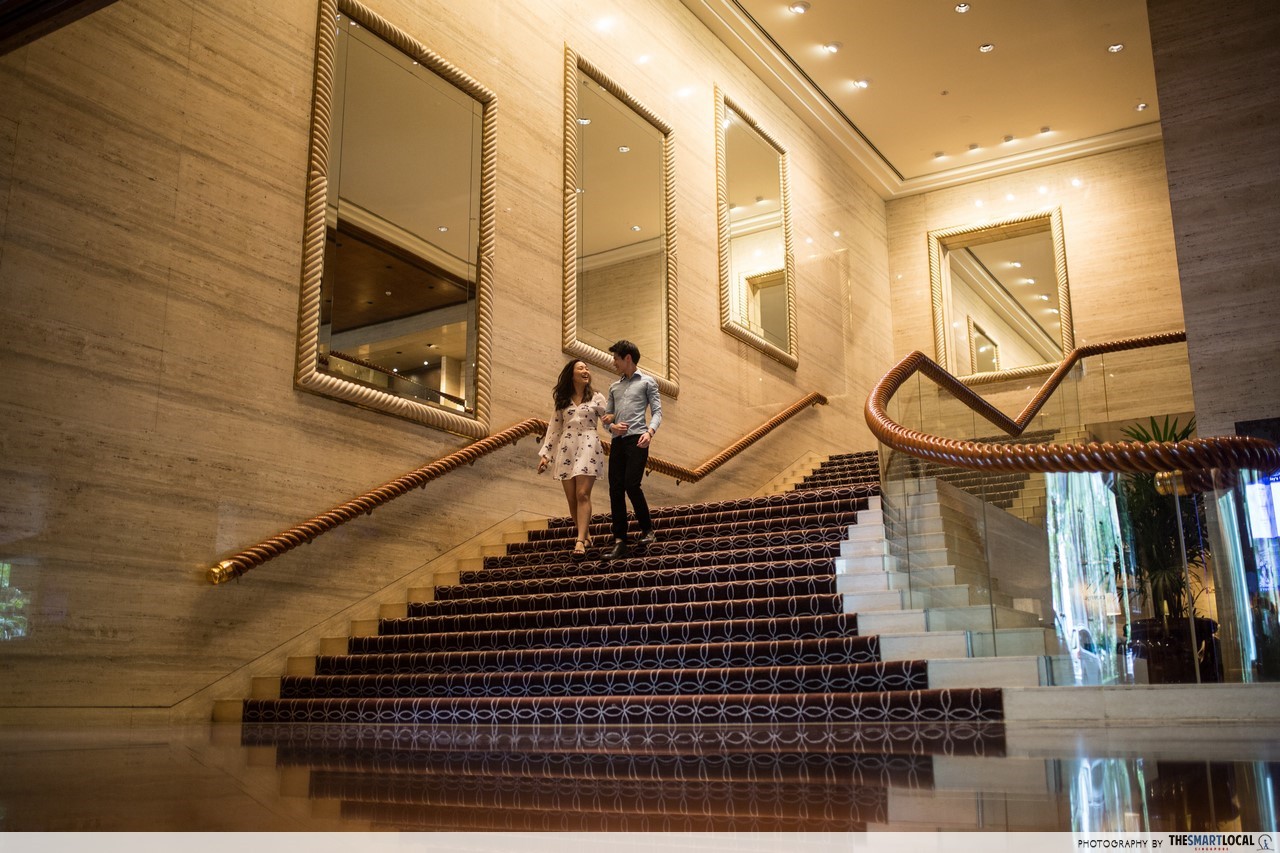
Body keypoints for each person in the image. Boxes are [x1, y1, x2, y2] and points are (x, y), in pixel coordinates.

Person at [537, 360, 607, 557]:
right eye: (581, 368)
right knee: (572, 498)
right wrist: (546, 456)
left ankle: (579, 541)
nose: (586, 371)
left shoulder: (597, 397)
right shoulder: (562, 400)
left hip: (589, 444)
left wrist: (616, 427)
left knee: (582, 494)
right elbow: (554, 428)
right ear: (572, 374)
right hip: (567, 447)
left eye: (587, 368)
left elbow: (608, 420)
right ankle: (585, 534)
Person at [600, 339, 662, 560]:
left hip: (638, 439)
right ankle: (620, 541)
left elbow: (657, 412)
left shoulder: (647, 382)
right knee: (615, 489)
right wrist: (611, 425)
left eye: (616, 358)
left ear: (627, 358)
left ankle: (648, 531)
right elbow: (607, 417)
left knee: (631, 484)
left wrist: (650, 432)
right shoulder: (614, 387)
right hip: (618, 441)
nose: (613, 362)